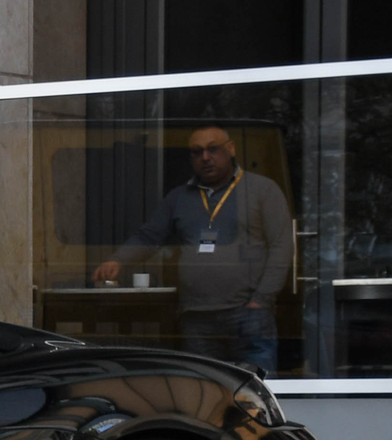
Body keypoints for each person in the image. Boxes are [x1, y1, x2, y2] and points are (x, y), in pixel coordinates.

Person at [93, 125, 290, 372]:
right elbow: (151, 235)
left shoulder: (262, 190)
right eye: (197, 152)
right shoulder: (179, 197)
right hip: (196, 316)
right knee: (204, 392)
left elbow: (282, 247)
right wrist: (118, 260)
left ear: (231, 149)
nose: (205, 157)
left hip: (247, 313)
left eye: (213, 149)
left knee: (254, 394)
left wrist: (261, 300)